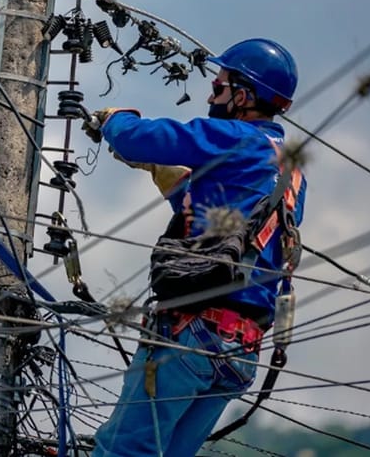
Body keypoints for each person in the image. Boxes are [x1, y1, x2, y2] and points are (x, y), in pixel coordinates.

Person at [85, 38, 307, 456]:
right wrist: (168, 178)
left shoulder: (233, 137)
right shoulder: (291, 173)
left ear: (243, 95)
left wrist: (114, 119)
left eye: (219, 86)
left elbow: (137, 137)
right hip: (240, 351)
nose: (211, 94)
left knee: (124, 452)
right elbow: (234, 222)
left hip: (192, 333)